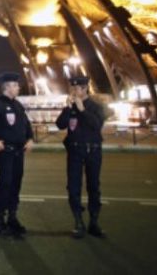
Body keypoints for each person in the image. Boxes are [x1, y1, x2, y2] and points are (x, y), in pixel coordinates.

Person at [0, 72, 34, 237]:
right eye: (16, 85)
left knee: (16, 183)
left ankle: (12, 217)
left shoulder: (17, 105)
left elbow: (26, 123)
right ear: (7, 87)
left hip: (18, 151)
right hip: (5, 151)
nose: (18, 87)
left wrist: (30, 138)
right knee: (6, 182)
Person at [55, 76, 106, 238]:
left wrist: (82, 109)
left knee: (93, 187)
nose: (74, 91)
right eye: (72, 89)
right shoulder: (70, 107)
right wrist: (68, 108)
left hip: (93, 150)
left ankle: (94, 222)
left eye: (77, 89)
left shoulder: (96, 107)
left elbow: (97, 125)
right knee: (73, 187)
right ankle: (78, 222)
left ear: (85, 89)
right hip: (75, 151)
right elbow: (60, 124)